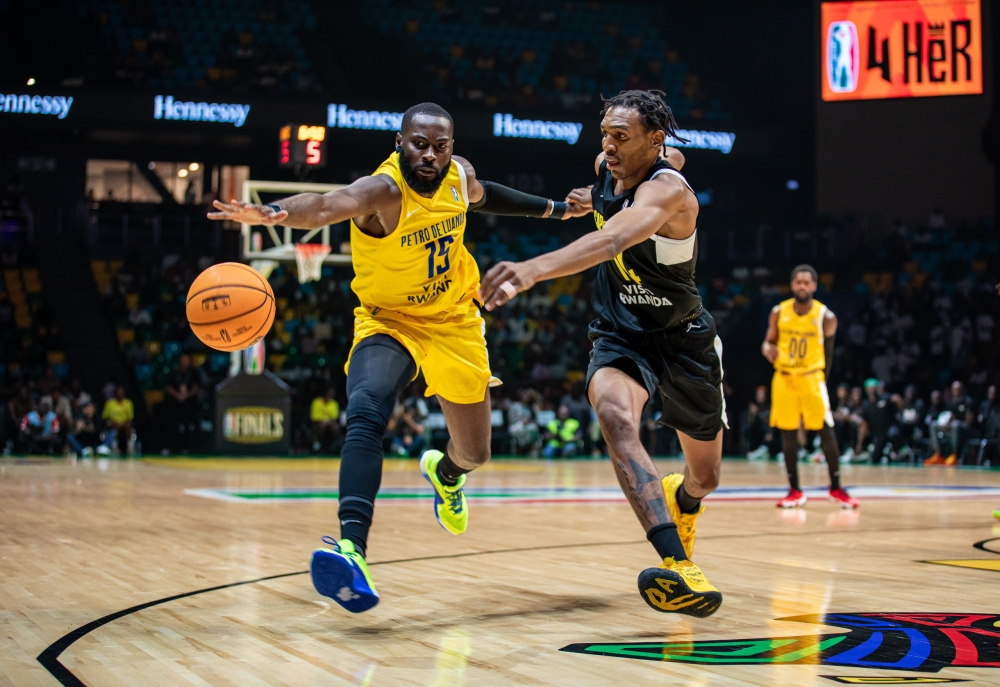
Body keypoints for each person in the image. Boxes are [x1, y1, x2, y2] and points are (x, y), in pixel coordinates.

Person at [208, 102, 587, 613]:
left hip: (454, 320)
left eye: (440, 145)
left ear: (451, 147)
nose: (430, 155)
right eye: (419, 144)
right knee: (366, 408)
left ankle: (446, 475)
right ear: (399, 143)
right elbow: (324, 206)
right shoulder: (382, 192)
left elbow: (487, 196)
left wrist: (559, 210)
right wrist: (273, 214)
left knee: (475, 453)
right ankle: (352, 549)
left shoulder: (459, 176)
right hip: (389, 321)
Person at [480, 90, 725, 617]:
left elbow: (614, 239)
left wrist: (530, 270)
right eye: (605, 135)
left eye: (621, 136)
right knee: (615, 417)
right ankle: (678, 565)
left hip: (684, 339)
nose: (608, 146)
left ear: (654, 140)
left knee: (705, 477)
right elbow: (624, 186)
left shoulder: (670, 195)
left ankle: (685, 500)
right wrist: (594, 196)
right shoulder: (606, 167)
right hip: (620, 334)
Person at [761, 265, 858, 509]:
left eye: (807, 282)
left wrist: (822, 379)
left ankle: (836, 488)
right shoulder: (778, 312)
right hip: (784, 377)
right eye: (798, 282)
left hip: (812, 377)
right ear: (792, 285)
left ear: (815, 286)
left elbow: (830, 354)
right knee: (788, 435)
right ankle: (795, 490)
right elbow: (768, 342)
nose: (802, 286)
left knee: (826, 431)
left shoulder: (826, 316)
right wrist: (766, 349)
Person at [926, 381, 974, 465]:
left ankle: (954, 455)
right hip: (952, 427)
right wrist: (946, 425)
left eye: (958, 389)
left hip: (965, 429)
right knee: (934, 424)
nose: (956, 391)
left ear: (962, 390)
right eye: (954, 389)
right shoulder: (950, 403)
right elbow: (947, 417)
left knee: (955, 425)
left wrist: (953, 423)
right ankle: (937, 454)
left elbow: (969, 421)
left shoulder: (968, 401)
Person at [164, 353, 201, 454]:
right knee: (171, 425)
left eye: (187, 359)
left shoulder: (194, 373)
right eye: (183, 360)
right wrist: (178, 396)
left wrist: (186, 395)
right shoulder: (174, 372)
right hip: (174, 404)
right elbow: (169, 387)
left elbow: (196, 387)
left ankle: (186, 448)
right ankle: (170, 448)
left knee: (187, 426)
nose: (185, 362)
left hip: (188, 404)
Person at [857, 378, 895, 462]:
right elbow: (864, 423)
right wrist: (859, 444)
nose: (871, 390)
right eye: (869, 388)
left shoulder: (886, 398)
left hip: (889, 430)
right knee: (875, 457)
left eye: (873, 387)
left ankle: (899, 450)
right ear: (866, 389)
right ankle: (885, 453)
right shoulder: (866, 405)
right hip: (877, 433)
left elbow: (897, 401)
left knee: (894, 432)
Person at [101, 385, 135, 455]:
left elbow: (130, 417)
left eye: (122, 391)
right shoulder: (110, 403)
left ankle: (130, 447)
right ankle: (114, 447)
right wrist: (111, 421)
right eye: (119, 391)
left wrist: (125, 423)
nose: (120, 393)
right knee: (115, 426)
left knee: (128, 426)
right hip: (113, 424)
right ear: (115, 393)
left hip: (124, 424)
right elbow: (104, 417)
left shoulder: (128, 403)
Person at [310, 387, 341, 453]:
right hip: (319, 423)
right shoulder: (316, 402)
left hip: (330, 423)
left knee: (335, 427)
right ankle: (318, 443)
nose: (332, 394)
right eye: (330, 393)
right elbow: (315, 418)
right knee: (321, 426)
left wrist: (327, 422)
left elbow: (334, 418)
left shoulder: (334, 404)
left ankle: (334, 445)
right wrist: (324, 422)